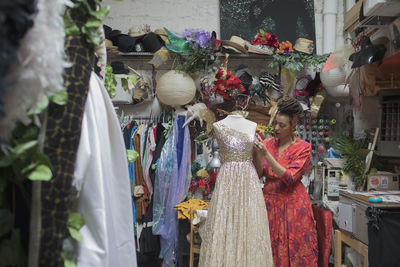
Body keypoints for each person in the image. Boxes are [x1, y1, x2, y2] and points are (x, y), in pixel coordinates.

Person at [199, 111, 273, 267]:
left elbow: (258, 161)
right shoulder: (217, 126)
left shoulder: (252, 126)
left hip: (248, 180)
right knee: (225, 222)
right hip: (227, 180)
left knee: (249, 223)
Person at [253, 96, 318, 267]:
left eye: (282, 125)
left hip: (293, 206)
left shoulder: (303, 148)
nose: (276, 128)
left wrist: (266, 154)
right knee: (268, 250)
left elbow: (290, 177)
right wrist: (258, 155)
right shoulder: (267, 143)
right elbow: (259, 174)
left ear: (293, 125)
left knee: (294, 252)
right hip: (268, 205)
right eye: (275, 123)